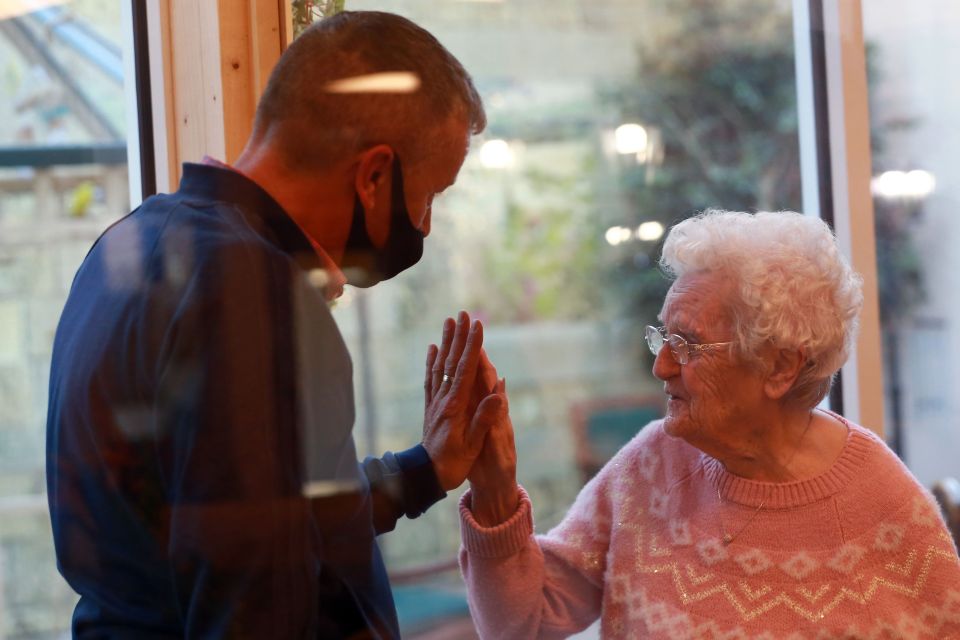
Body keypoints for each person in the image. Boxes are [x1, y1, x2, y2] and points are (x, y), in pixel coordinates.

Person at [46, 11, 501, 639]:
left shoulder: (129, 244)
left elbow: (262, 522)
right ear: (374, 176)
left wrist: (427, 469)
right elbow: (254, 600)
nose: (423, 224)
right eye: (432, 195)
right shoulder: (256, 295)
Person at [459, 210, 960, 638]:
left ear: (781, 367)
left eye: (688, 345)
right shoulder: (652, 465)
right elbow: (524, 622)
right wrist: (495, 496)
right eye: (663, 338)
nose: (662, 367)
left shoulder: (883, 505)